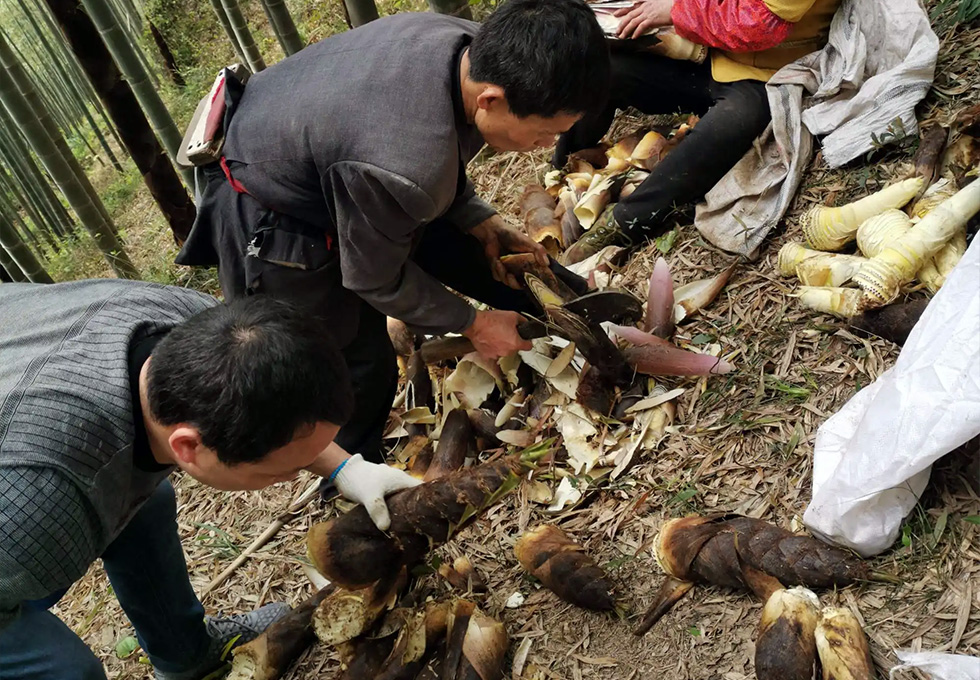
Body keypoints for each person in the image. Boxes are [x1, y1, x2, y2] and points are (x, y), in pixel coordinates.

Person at [175, 0, 611, 477]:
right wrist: (471, 324)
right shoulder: (405, 163)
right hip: (272, 208)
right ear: (490, 99)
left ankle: (589, 320)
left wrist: (478, 217)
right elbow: (375, 277)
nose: (547, 146)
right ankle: (353, 477)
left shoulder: (467, 47)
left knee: (483, 254)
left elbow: (436, 153)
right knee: (354, 365)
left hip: (346, 160)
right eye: (545, 133)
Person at [0, 279, 420, 679]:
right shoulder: (36, 500)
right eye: (282, 471)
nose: (296, 474)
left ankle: (186, 655)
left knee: (147, 503)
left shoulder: (203, 327)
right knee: (66, 671)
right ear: (187, 447)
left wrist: (346, 467)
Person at [556, 0, 840, 261]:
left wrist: (676, 11)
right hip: (701, 50)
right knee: (605, 68)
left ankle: (626, 221)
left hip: (764, 72)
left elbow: (760, 25)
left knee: (732, 123)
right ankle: (563, 172)